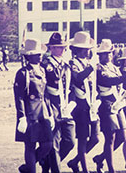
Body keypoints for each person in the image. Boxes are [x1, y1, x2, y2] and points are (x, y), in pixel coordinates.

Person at [14, 38, 54, 173]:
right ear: (29, 56)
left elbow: (46, 94)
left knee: (48, 144)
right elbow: (19, 97)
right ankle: (31, 169)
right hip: (30, 114)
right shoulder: (23, 73)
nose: (40, 56)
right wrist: (21, 117)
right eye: (37, 54)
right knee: (30, 146)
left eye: (40, 53)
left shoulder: (43, 70)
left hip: (43, 113)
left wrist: (50, 113)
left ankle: (27, 167)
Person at [40, 32, 76, 173]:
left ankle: (46, 162)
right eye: (58, 47)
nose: (62, 50)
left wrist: (72, 103)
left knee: (70, 141)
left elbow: (71, 85)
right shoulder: (47, 64)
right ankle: (55, 169)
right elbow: (54, 77)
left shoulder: (65, 64)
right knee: (54, 142)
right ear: (51, 49)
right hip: (53, 104)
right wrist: (63, 64)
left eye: (63, 47)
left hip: (65, 104)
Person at [93, 39, 126, 173]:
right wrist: (124, 78)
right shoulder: (99, 68)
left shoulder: (115, 68)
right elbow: (107, 81)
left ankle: (100, 158)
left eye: (109, 53)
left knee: (123, 136)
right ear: (99, 55)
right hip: (106, 104)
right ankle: (111, 169)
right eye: (104, 53)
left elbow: (122, 84)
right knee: (110, 137)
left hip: (117, 103)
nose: (107, 55)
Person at [67, 31, 100, 173]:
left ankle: (74, 161)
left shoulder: (88, 63)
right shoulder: (72, 63)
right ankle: (84, 169)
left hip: (91, 105)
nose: (88, 51)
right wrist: (91, 67)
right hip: (80, 105)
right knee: (82, 138)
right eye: (86, 49)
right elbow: (78, 78)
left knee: (95, 138)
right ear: (78, 50)